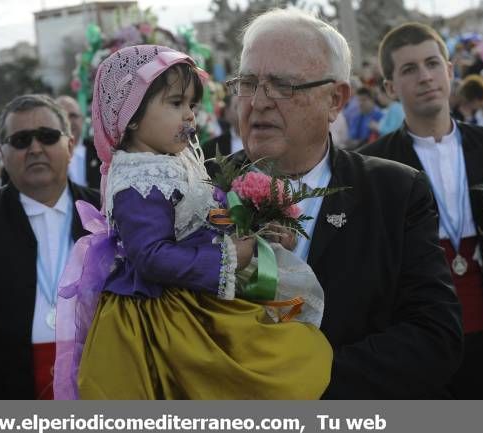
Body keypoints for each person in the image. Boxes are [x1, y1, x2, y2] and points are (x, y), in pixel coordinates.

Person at [55, 44, 332, 400]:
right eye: (175, 103)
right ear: (132, 115)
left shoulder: (173, 159)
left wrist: (253, 229)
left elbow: (202, 215)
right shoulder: (138, 176)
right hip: (161, 316)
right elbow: (150, 255)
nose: (189, 116)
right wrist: (228, 255)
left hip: (190, 297)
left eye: (191, 105)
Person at [221, 8, 463, 398]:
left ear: (335, 99)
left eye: (283, 85)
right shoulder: (201, 190)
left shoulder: (395, 193)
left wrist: (303, 379)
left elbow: (434, 337)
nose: (259, 102)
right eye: (248, 83)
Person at [360, 22, 483, 399]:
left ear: (450, 71)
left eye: (433, 64)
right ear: (389, 88)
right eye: (409, 69)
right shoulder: (373, 163)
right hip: (415, 339)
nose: (425, 77)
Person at [0, 94, 100, 399]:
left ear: (70, 146)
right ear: (2, 154)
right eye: (20, 140)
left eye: (47, 136)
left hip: (101, 386)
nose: (35, 148)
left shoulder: (106, 212)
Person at [55, 96, 101, 189]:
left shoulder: (100, 153)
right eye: (62, 116)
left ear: (82, 119)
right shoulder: (45, 155)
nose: (68, 122)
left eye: (73, 116)